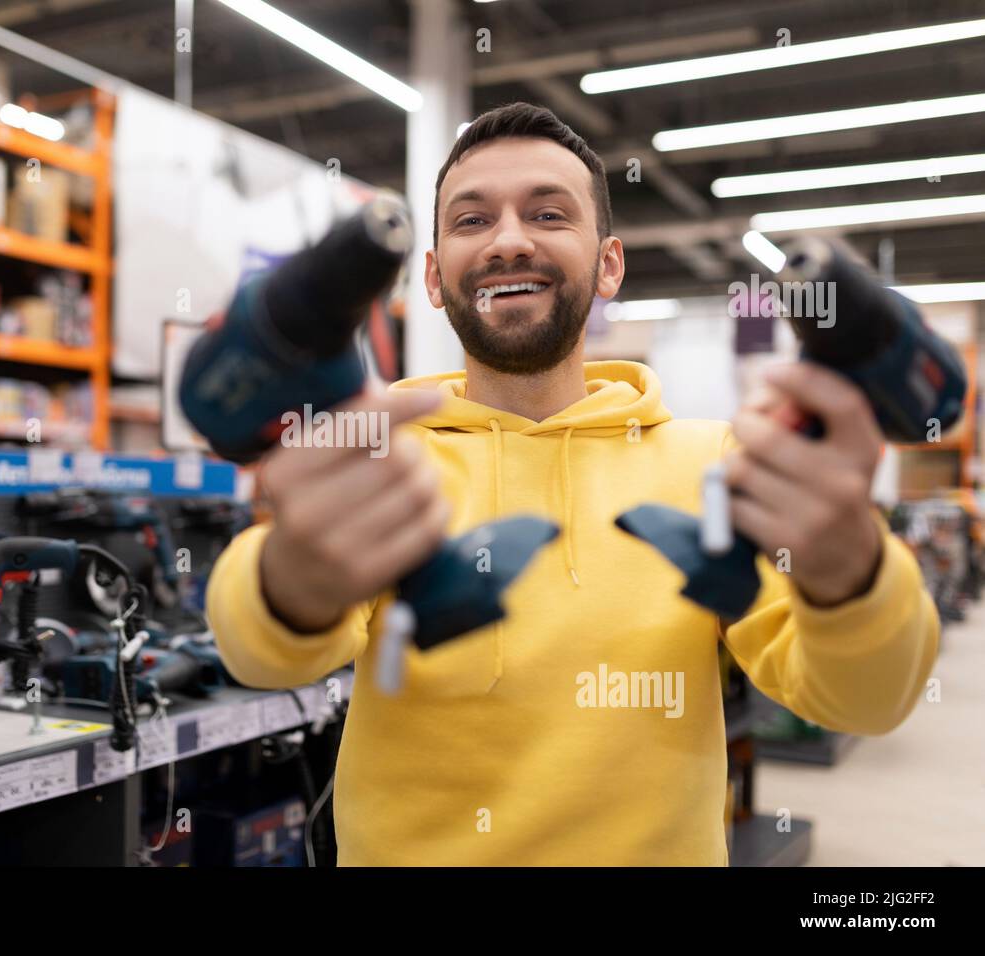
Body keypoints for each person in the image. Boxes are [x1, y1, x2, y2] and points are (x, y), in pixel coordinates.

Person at [205, 102, 939, 865]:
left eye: (549, 214)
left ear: (609, 264)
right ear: (431, 276)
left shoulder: (714, 463)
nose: (510, 240)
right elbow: (262, 659)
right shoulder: (385, 459)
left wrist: (853, 567)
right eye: (471, 220)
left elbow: (867, 700)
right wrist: (288, 575)